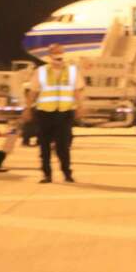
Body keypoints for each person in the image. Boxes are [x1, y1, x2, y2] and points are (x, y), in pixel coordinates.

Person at [22, 43, 83, 183]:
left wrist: (80, 106)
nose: (58, 55)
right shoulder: (41, 71)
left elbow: (77, 91)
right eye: (55, 53)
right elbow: (33, 92)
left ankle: (67, 173)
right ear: (49, 55)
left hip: (64, 113)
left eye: (60, 52)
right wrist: (27, 108)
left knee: (63, 146)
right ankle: (46, 174)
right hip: (45, 113)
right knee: (44, 146)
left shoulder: (72, 71)